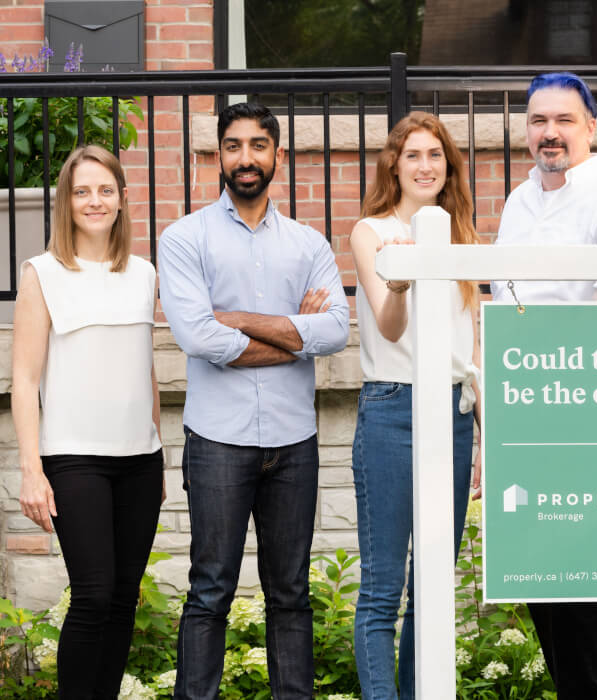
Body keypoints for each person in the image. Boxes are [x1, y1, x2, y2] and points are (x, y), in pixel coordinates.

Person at [158, 102, 350, 699]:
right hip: (218, 440)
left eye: (258, 145)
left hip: (294, 441)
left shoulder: (308, 244)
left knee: (290, 593)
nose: (246, 158)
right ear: (219, 156)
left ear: (277, 156)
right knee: (210, 590)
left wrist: (238, 319)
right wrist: (294, 336)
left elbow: (335, 331)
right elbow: (197, 337)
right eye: (234, 146)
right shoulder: (184, 238)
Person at [492, 72, 597, 700]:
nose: (550, 133)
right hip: (523, 406)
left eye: (563, 120)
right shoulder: (517, 200)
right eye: (539, 121)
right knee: (537, 575)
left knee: (576, 577)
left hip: (581, 408)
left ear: (590, 126)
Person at [12, 145, 164, 699]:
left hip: (141, 461)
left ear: (122, 198)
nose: (94, 201)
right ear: (66, 202)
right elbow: (24, 380)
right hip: (75, 459)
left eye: (105, 190)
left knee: (123, 599)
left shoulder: (143, 274)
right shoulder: (43, 273)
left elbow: (145, 369)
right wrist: (32, 470)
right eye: (82, 191)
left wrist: (158, 450)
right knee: (94, 595)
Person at [348, 111, 481, 700]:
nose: (425, 166)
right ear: (394, 166)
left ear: (448, 166)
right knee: (383, 588)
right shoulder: (371, 232)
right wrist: (399, 283)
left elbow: (473, 348)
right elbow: (389, 326)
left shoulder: (463, 239)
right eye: (413, 156)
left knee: (432, 588)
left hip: (453, 414)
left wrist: (485, 436)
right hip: (392, 410)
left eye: (435, 155)